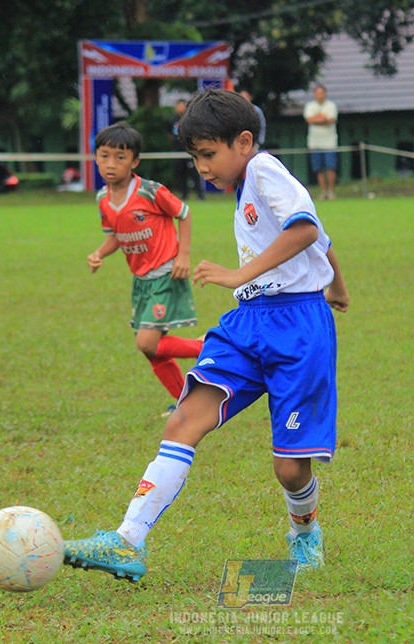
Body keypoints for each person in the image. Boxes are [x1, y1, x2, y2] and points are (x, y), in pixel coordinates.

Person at [63, 89, 350, 581]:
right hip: (249, 324)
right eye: (195, 158)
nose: (202, 168)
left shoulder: (264, 169)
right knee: (183, 421)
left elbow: (304, 229)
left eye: (208, 155)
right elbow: (320, 239)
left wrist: (242, 275)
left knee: (290, 470)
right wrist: (338, 286)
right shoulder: (248, 183)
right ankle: (127, 541)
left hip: (298, 329)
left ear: (243, 141)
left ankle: (305, 533)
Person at [87, 123, 204, 410]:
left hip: (165, 273)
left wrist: (183, 256)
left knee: (146, 342)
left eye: (120, 157)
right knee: (153, 352)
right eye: (104, 156)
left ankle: (210, 348)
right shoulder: (103, 198)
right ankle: (184, 402)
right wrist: (99, 253)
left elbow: (184, 214)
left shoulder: (151, 191)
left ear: (135, 161)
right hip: (141, 280)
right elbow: (115, 235)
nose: (110, 164)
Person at [304, 84, 339, 200]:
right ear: (314, 94)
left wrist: (317, 119)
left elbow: (330, 120)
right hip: (315, 143)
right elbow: (309, 119)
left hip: (329, 143)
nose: (319, 95)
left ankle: (331, 192)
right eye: (317, 93)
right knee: (318, 168)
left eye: (321, 93)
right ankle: (323, 192)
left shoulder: (331, 106)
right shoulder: (309, 106)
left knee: (330, 167)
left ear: (325, 94)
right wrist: (322, 119)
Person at [169, 100, 205, 200]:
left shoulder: (190, 119)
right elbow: (169, 135)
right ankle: (184, 195)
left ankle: (200, 195)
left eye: (182, 106)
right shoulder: (172, 120)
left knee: (195, 173)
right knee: (180, 175)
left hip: (189, 152)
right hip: (177, 151)